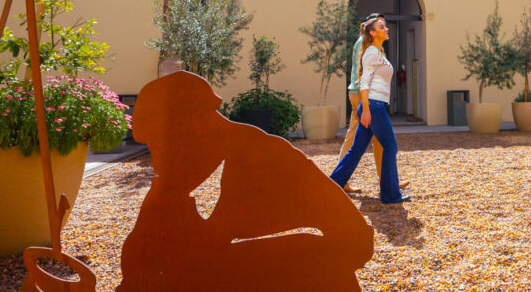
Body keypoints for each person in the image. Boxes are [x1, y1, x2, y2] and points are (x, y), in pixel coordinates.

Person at [118, 72, 373, 291]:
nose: (158, 156)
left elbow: (356, 240)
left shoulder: (261, 157)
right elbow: (139, 257)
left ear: (194, 124)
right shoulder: (186, 170)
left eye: (160, 143)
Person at [329, 16, 411, 204]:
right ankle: (390, 195)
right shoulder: (371, 53)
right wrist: (365, 110)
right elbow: (364, 81)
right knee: (390, 146)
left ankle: (332, 185)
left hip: (374, 105)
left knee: (356, 149)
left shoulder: (378, 51)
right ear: (373, 32)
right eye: (382, 27)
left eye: (386, 26)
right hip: (373, 106)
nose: (387, 29)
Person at [337, 14, 385, 194]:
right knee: (376, 137)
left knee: (364, 137)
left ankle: (340, 180)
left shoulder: (364, 41)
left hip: (358, 93)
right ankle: (385, 180)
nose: (384, 27)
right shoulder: (366, 43)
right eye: (381, 24)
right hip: (364, 94)